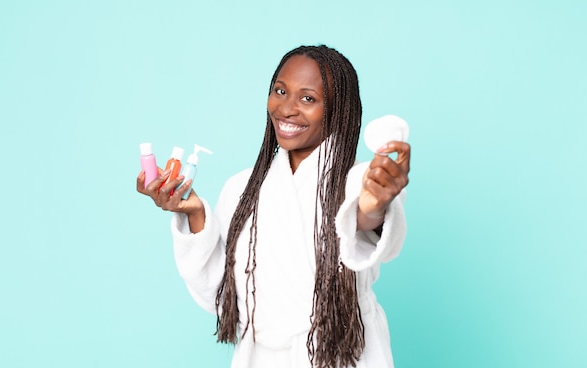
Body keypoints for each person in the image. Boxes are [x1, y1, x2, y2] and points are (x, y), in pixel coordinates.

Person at [137, 45, 411, 368]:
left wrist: (376, 205)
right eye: (280, 91)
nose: (287, 108)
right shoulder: (242, 188)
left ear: (337, 110)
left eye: (308, 98)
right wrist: (194, 214)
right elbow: (225, 298)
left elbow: (364, 217)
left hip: (340, 355)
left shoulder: (356, 181)